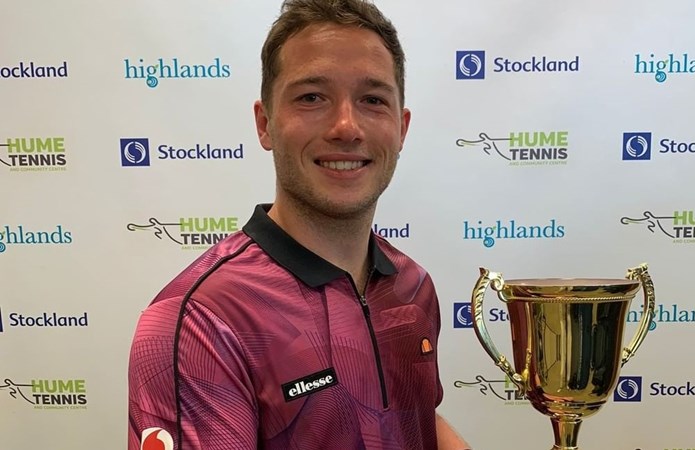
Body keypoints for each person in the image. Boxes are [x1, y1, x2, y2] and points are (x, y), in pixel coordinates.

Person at [128, 0, 470, 449]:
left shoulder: (412, 287)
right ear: (265, 123)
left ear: (401, 128)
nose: (347, 126)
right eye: (312, 97)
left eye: (372, 100)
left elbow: (415, 423)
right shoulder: (199, 321)